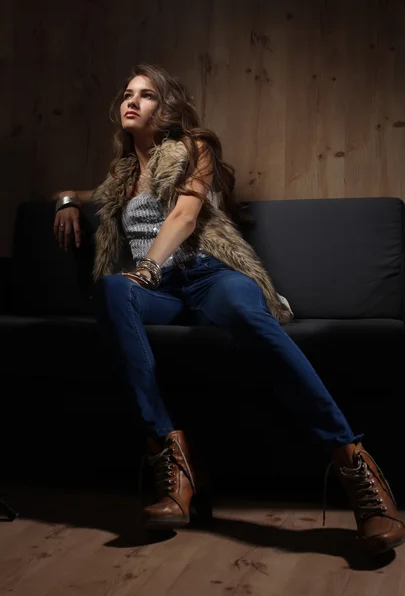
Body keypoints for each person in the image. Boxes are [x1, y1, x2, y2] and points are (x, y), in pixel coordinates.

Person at [53, 63, 404, 554]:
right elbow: (84, 195)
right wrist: (67, 200)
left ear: (166, 106)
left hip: (209, 274)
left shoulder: (194, 148)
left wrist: (150, 265)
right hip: (161, 293)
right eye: (127, 94)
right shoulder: (122, 174)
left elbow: (184, 212)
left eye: (146, 95)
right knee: (111, 291)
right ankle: (171, 462)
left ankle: (355, 465)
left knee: (243, 313)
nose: (131, 101)